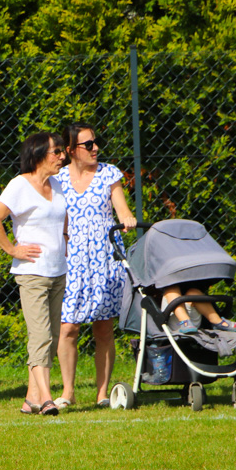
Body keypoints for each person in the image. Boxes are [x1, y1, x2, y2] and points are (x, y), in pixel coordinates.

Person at [0, 132, 67, 416]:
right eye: (55, 152)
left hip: (58, 271)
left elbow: (61, 217)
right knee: (41, 335)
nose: (61, 157)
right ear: (39, 153)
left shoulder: (57, 184)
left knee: (52, 337)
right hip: (32, 273)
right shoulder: (20, 185)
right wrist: (12, 249)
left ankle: (30, 399)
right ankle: (46, 398)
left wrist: (63, 241)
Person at [54, 123, 137, 409]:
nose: (95, 148)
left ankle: (102, 394)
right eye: (87, 145)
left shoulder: (109, 174)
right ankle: (68, 392)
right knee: (68, 328)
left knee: (103, 329)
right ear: (70, 151)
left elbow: (122, 209)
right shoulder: (58, 178)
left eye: (95, 142)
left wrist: (126, 218)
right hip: (71, 259)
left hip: (104, 257)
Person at [162, 284, 236, 334]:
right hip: (175, 323)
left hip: (193, 323)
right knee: (172, 289)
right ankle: (185, 322)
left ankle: (217, 322)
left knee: (194, 292)